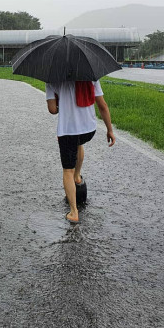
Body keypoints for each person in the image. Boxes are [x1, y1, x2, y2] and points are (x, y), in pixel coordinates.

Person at [45, 80, 115, 224]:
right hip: (88, 129)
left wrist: (62, 105)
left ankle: (73, 212)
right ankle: (78, 177)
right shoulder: (91, 76)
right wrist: (110, 130)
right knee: (78, 144)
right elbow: (102, 105)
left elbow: (52, 109)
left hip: (68, 131)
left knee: (67, 171)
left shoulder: (53, 79)